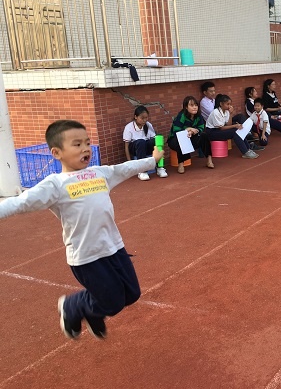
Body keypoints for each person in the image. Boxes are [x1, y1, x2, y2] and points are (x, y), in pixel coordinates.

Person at [0, 120, 163, 339]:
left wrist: (152, 160)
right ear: (56, 153)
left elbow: (125, 169)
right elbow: (20, 202)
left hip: (113, 246)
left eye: (87, 142)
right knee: (113, 303)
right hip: (86, 256)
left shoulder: (99, 173)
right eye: (77, 144)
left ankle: (93, 313)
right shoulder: (55, 185)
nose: (85, 148)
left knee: (132, 293)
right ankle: (73, 305)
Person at [168, 96, 214, 173]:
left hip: (191, 137)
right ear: (186, 107)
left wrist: (193, 131)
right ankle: (181, 164)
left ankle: (209, 161)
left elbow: (201, 127)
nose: (195, 107)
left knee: (204, 136)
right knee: (182, 139)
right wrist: (188, 129)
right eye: (192, 105)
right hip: (175, 139)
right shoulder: (181, 116)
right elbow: (176, 131)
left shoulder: (198, 116)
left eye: (196, 105)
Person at [206, 94, 259, 158]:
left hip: (219, 130)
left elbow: (229, 124)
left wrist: (230, 114)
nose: (229, 106)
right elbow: (221, 128)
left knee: (239, 130)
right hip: (212, 132)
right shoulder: (216, 112)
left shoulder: (226, 111)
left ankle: (248, 149)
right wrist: (235, 126)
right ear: (221, 104)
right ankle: (245, 152)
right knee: (235, 132)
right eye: (227, 104)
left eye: (230, 104)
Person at [122, 105, 168, 180]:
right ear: (136, 117)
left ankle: (160, 167)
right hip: (136, 147)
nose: (144, 120)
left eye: (146, 118)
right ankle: (142, 171)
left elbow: (154, 139)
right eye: (142, 118)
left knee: (157, 139)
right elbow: (126, 146)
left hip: (146, 146)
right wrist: (129, 162)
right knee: (141, 142)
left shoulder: (148, 125)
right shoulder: (129, 127)